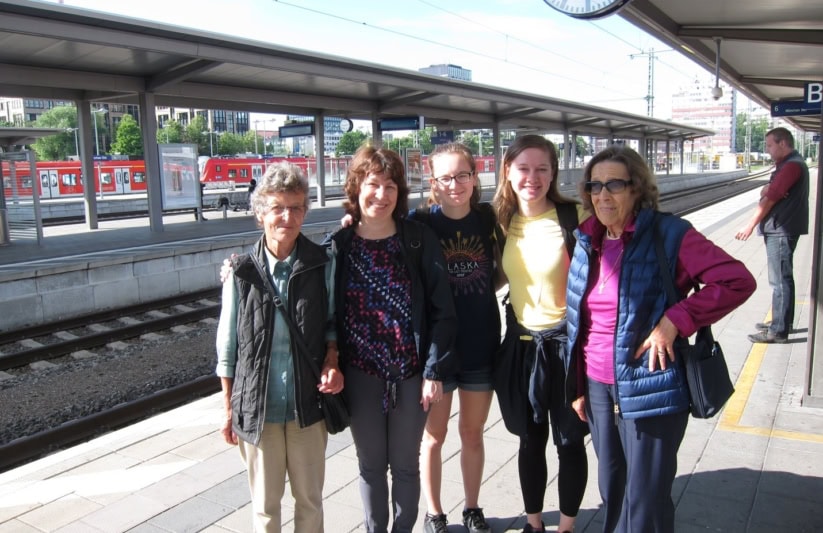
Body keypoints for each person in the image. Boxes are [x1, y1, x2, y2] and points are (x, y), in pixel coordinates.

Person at [566, 146, 756, 532]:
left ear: (636, 188)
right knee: (612, 488)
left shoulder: (670, 235)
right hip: (599, 386)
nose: (603, 194)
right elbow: (582, 323)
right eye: (595, 185)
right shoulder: (588, 240)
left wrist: (676, 319)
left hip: (650, 383)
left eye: (614, 184)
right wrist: (579, 385)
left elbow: (737, 280)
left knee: (645, 500)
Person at [326, 145, 457, 533]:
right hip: (360, 374)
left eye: (390, 186)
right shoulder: (340, 245)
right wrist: (236, 268)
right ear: (356, 187)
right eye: (372, 184)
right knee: (369, 466)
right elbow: (319, 302)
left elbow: (442, 310)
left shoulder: (417, 239)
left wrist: (434, 370)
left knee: (404, 465)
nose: (381, 195)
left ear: (400, 193)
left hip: (410, 373)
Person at [215, 162, 342, 533]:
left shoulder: (322, 263)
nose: (287, 216)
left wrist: (332, 359)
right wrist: (227, 409)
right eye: (277, 207)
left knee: (310, 503)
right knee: (266, 509)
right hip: (258, 410)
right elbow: (228, 347)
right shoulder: (241, 272)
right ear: (260, 213)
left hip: (307, 406)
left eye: (297, 207)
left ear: (305, 210)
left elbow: (332, 321)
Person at [492, 134, 590, 533]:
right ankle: (534, 524)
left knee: (569, 442)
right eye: (523, 168)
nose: (532, 177)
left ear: (553, 174)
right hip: (521, 347)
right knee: (529, 441)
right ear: (508, 173)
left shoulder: (576, 216)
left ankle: (566, 528)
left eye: (542, 169)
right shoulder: (499, 220)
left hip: (567, 348)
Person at [411, 143, 501, 533]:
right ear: (433, 182)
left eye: (462, 175)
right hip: (437, 350)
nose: (455, 184)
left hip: (481, 341)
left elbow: (503, 268)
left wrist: (483, 293)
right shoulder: (420, 223)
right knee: (434, 436)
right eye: (445, 177)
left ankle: (472, 508)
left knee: (472, 433)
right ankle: (434, 512)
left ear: (474, 176)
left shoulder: (488, 219)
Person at [735, 127, 809, 344]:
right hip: (783, 227)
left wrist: (749, 225)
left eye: (769, 145)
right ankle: (781, 322)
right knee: (781, 278)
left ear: (782, 143)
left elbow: (770, 198)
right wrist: (768, 189)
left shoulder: (791, 166)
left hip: (782, 229)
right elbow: (766, 191)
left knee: (779, 280)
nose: (767, 150)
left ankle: (778, 331)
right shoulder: (789, 164)